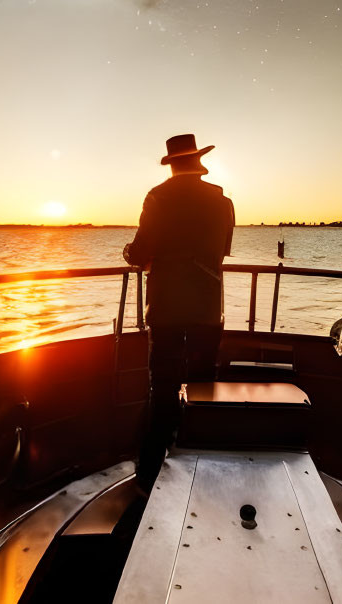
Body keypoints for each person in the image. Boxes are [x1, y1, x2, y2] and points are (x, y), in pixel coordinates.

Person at [124, 133, 234, 487]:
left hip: (167, 308)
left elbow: (140, 254)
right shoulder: (222, 200)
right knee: (204, 386)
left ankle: (150, 475)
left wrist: (129, 252)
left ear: (172, 165)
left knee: (164, 388)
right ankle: (203, 469)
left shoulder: (158, 197)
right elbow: (220, 253)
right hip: (206, 306)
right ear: (198, 162)